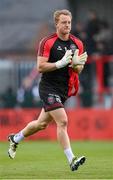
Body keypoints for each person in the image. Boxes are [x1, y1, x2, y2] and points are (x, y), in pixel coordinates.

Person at [8, 9, 87, 171]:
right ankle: (72, 160)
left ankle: (15, 138)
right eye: (64, 22)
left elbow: (78, 71)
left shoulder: (77, 43)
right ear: (56, 24)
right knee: (63, 121)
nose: (67, 25)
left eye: (69, 22)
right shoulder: (48, 42)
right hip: (48, 87)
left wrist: (77, 65)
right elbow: (40, 67)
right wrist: (60, 63)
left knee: (41, 124)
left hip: (63, 89)